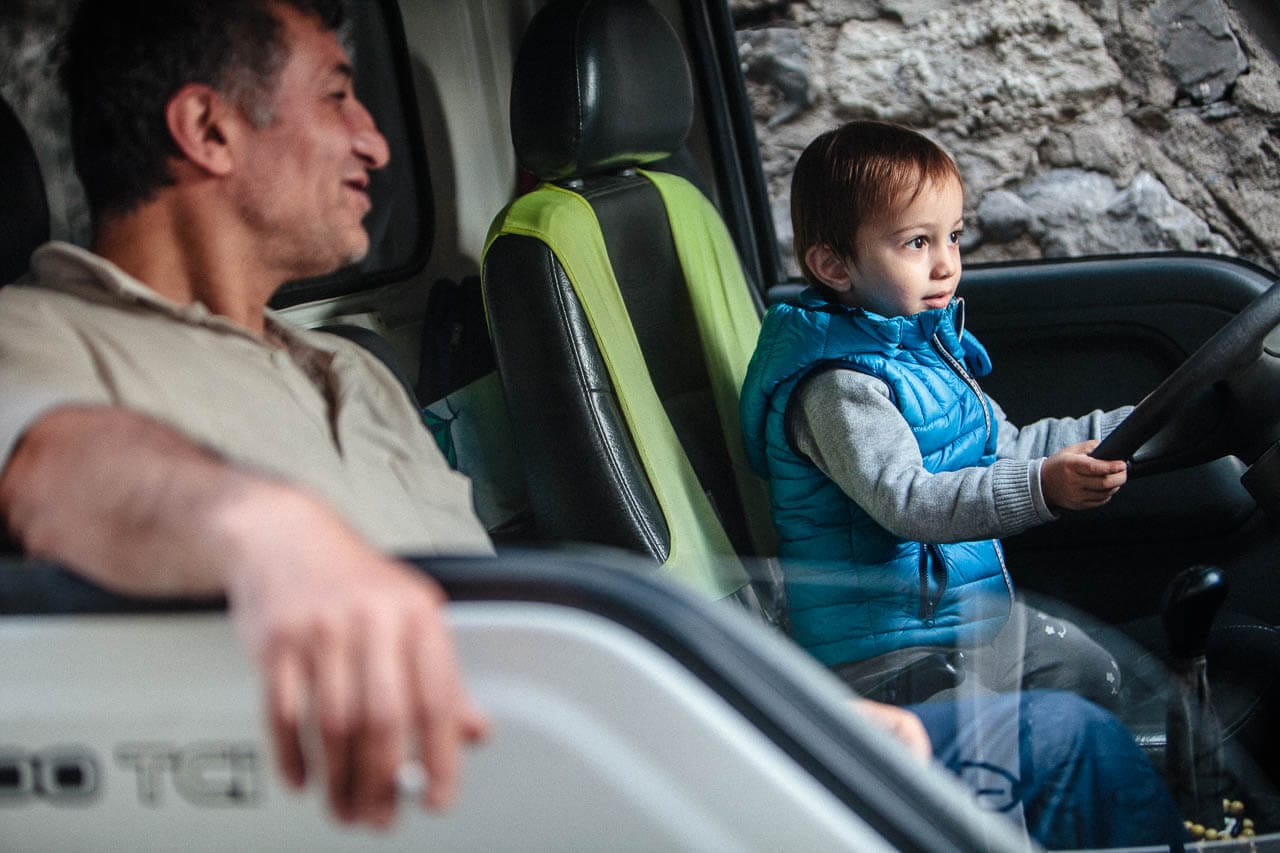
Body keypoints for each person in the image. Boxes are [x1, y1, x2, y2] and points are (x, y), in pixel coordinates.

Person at [0, 4, 1180, 846]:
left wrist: (788, 713)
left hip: (565, 746)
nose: (372, 141)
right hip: (485, 803)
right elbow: (55, 464)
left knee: (1069, 744)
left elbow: (497, 616)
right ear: (208, 130)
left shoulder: (346, 368)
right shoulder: (42, 336)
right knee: (1064, 751)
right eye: (338, 95)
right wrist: (263, 531)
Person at [740, 119, 1133, 711]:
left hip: (960, 624)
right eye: (917, 243)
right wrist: (1042, 489)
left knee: (1088, 671)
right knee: (1003, 730)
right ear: (835, 267)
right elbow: (910, 502)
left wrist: (1134, 426)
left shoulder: (925, 353)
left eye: (953, 236)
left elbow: (1006, 446)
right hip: (882, 653)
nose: (947, 263)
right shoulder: (838, 387)